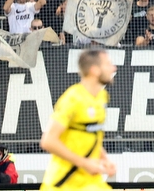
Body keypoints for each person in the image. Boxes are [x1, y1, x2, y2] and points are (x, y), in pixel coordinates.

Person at [39, 48, 117, 191]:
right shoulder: (72, 99)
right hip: (63, 183)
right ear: (94, 70)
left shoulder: (102, 96)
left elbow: (90, 135)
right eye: (108, 64)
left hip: (91, 182)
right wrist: (84, 163)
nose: (113, 68)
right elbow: (48, 141)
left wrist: (104, 159)